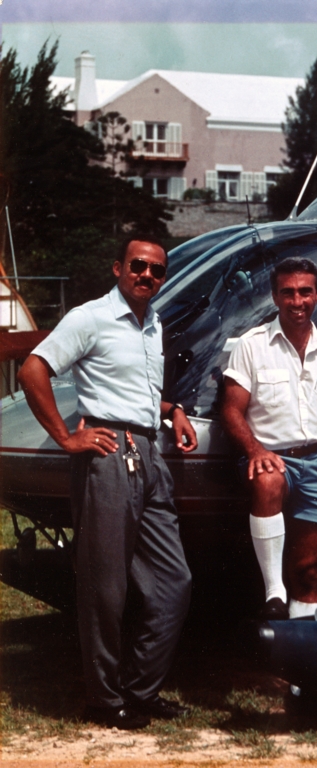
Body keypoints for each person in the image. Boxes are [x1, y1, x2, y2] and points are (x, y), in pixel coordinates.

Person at [17, 237, 197, 730]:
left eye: (157, 270)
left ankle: (140, 689)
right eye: (138, 266)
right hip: (109, 455)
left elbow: (136, 391)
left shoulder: (152, 324)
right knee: (106, 587)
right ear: (118, 267)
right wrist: (64, 438)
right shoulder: (90, 317)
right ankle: (103, 700)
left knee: (172, 582)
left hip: (151, 455)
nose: (147, 275)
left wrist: (174, 410)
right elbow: (33, 368)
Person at [222, 257, 317, 621]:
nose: (297, 301)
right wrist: (254, 449)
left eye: (305, 292)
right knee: (268, 479)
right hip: (272, 457)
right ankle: (273, 590)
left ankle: (300, 671)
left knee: (309, 571)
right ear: (275, 296)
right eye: (288, 293)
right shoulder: (252, 345)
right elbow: (231, 409)